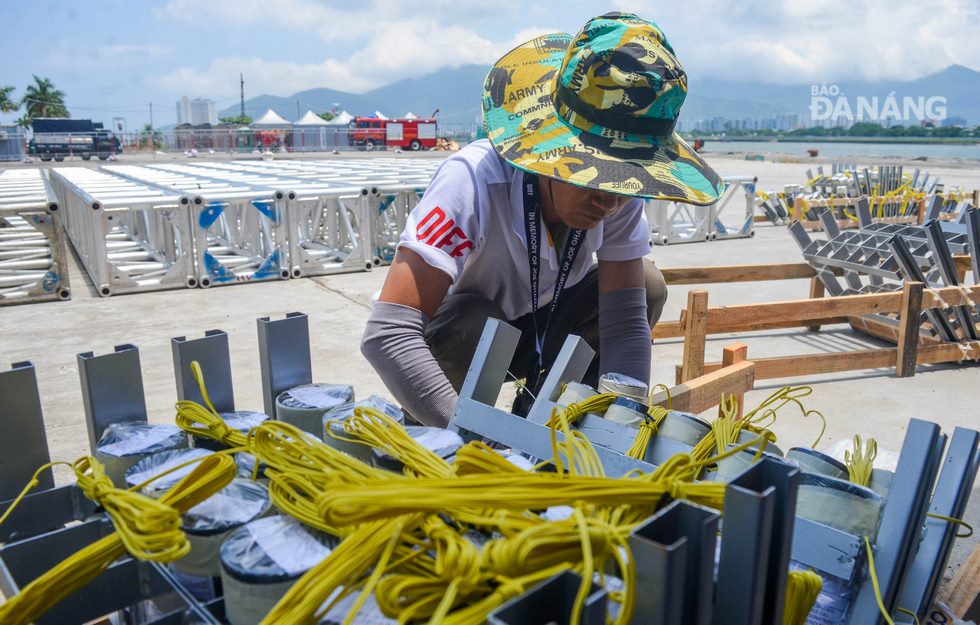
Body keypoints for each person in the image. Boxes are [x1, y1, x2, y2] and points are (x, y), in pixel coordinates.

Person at [361, 12, 724, 427]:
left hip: (545, 328)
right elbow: (388, 334)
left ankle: (570, 423)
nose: (608, 202)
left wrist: (623, 426)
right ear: (549, 155)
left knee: (647, 283)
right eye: (596, 178)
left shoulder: (619, 195)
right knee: (474, 319)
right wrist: (480, 441)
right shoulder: (474, 181)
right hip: (456, 345)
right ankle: (436, 427)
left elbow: (624, 322)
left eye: (624, 184)